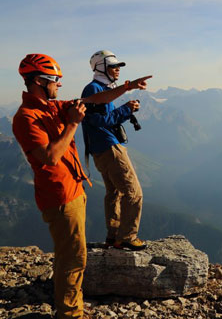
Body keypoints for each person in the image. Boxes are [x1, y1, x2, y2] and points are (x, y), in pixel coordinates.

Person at [12, 53, 151, 319]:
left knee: (75, 255)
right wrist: (74, 122)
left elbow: (96, 99)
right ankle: (70, 313)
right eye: (56, 80)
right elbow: (50, 157)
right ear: (40, 81)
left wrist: (128, 86)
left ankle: (71, 307)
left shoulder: (52, 107)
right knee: (73, 258)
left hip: (73, 189)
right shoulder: (26, 117)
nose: (60, 85)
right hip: (60, 196)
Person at [81, 50, 147, 251]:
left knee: (115, 193)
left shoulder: (102, 88)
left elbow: (103, 119)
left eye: (118, 66)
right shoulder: (93, 89)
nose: (117, 70)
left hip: (101, 148)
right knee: (134, 192)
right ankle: (127, 236)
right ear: (100, 67)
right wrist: (126, 109)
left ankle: (113, 236)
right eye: (113, 66)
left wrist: (127, 110)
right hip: (109, 148)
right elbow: (99, 121)